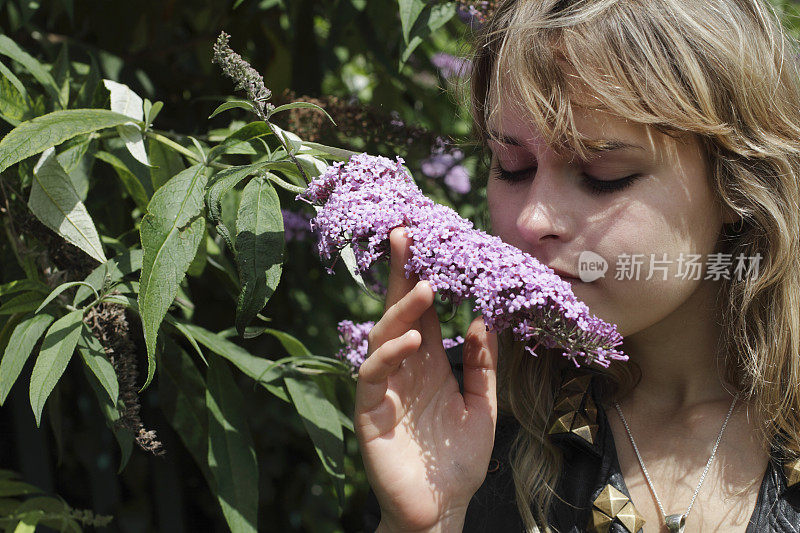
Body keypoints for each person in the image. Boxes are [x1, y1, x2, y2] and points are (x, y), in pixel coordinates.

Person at [356, 0, 800, 531]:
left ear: (737, 182)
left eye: (603, 173)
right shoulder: (462, 417)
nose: (531, 220)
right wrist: (426, 521)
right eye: (512, 166)